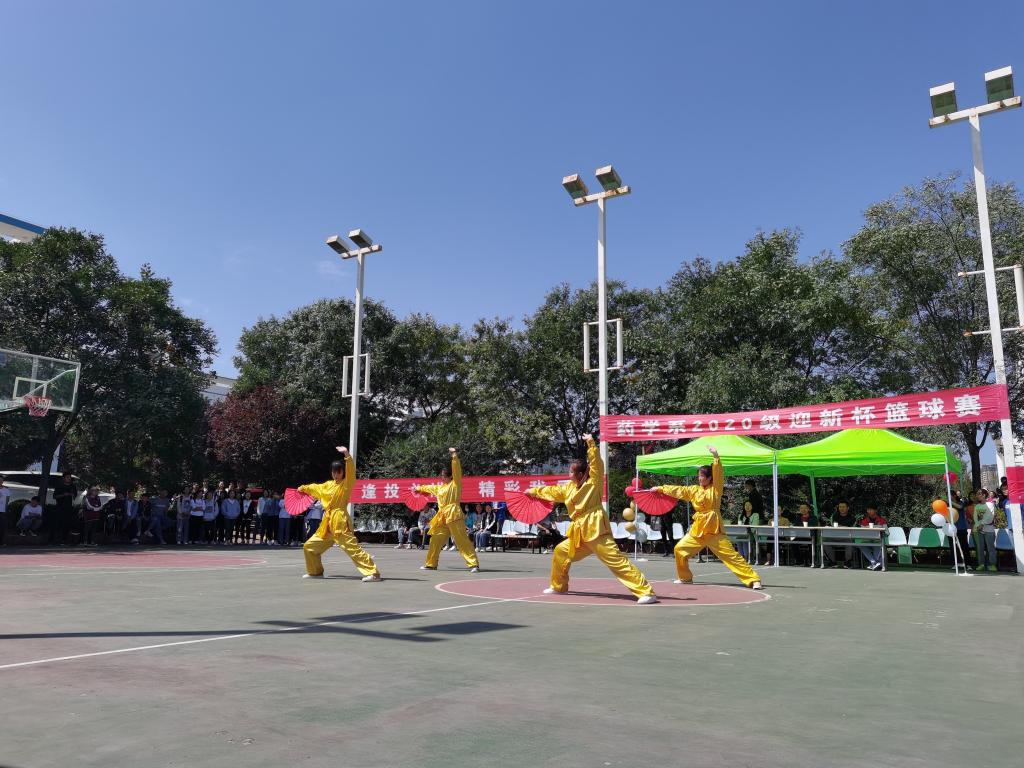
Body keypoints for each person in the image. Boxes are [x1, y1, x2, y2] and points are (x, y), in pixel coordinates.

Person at [527, 434, 658, 604]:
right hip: (579, 533)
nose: (568, 473)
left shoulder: (593, 482)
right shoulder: (568, 488)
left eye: (571, 471)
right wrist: (533, 492)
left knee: (615, 560)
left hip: (596, 530)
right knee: (560, 551)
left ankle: (646, 592)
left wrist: (591, 443)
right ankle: (558, 586)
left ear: (581, 474)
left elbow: (597, 464)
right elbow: (551, 491)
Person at [651, 444, 762, 590]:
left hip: (714, 530)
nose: (699, 478)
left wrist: (716, 457)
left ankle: (753, 579)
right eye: (699, 476)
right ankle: (685, 577)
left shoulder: (716, 488)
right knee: (679, 549)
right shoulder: (693, 490)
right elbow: (678, 490)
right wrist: (660, 488)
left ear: (709, 478)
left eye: (702, 476)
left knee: (731, 556)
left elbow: (718, 474)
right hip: (698, 530)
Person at [299, 446, 382, 581]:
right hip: (327, 524)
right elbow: (315, 487)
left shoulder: (346, 484)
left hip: (340, 522)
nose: (336, 474)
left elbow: (351, 472)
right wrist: (303, 488)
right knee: (309, 547)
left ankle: (373, 573)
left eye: (339, 471)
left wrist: (347, 455)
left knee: (352, 548)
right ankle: (315, 572)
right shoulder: (327, 485)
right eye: (334, 471)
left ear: (343, 472)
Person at [416, 448, 480, 572]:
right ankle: (431, 564)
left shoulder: (455, 484)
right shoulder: (440, 488)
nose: (442, 477)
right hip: (442, 517)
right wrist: (419, 488)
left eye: (444, 476)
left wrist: (454, 456)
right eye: (441, 475)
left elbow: (457, 470)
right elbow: (429, 488)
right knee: (435, 539)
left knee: (461, 540)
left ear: (451, 476)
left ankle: (473, 564)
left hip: (453, 513)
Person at [824, 500, 857, 567]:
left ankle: (848, 562)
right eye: (840, 507)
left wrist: (841, 526)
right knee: (825, 542)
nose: (841, 508)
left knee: (850, 542)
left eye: (843, 507)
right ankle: (832, 561)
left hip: (847, 537)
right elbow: (833, 525)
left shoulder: (852, 517)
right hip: (835, 537)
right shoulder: (835, 516)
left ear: (848, 508)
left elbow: (850, 527)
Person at [972, 489, 998, 572]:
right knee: (980, 548)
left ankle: (992, 565)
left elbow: (990, 516)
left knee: (990, 548)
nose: (977, 496)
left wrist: (982, 524)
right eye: (977, 494)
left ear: (984, 495)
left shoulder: (990, 504)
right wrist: (978, 525)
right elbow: (975, 517)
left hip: (989, 530)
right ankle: (981, 564)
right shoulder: (977, 506)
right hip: (979, 530)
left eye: (979, 494)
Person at [856, 505, 887, 571]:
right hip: (867, 540)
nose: (869, 511)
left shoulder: (882, 520)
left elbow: (887, 532)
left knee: (878, 544)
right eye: (868, 510)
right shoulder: (864, 521)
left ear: (875, 510)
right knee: (859, 544)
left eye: (870, 510)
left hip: (878, 540)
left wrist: (880, 528)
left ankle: (873, 563)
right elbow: (861, 532)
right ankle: (875, 562)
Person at [51, 472, 77, 546]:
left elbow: (75, 496)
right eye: (67, 477)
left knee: (67, 524)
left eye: (69, 477)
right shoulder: (59, 486)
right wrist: (63, 495)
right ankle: (54, 540)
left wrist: (72, 494)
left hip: (69, 507)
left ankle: (64, 539)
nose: (69, 478)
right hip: (60, 507)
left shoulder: (72, 486)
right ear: (63, 478)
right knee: (58, 523)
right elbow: (54, 496)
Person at [0, 474, 10, 546]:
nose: (0, 481)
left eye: (1, 480)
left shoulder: (6, 490)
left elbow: (7, 501)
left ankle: (2, 542)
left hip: (2, 511)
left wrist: (6, 509)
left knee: (2, 527)